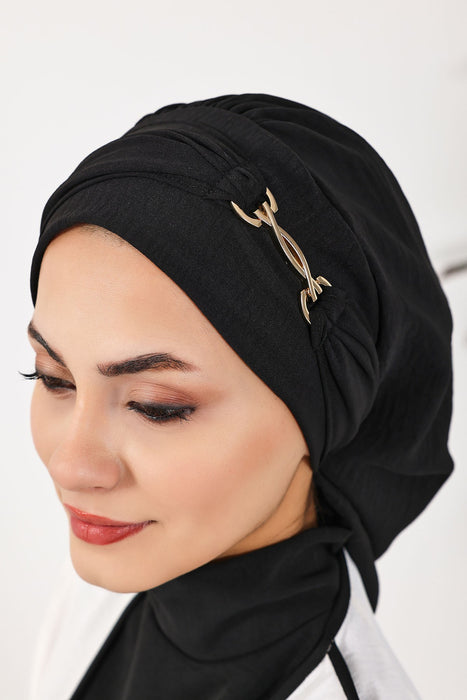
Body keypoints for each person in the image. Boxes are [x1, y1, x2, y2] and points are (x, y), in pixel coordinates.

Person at [24, 92, 454, 700]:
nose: (72, 466)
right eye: (53, 378)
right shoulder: (111, 577)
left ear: (319, 410)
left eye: (157, 406)